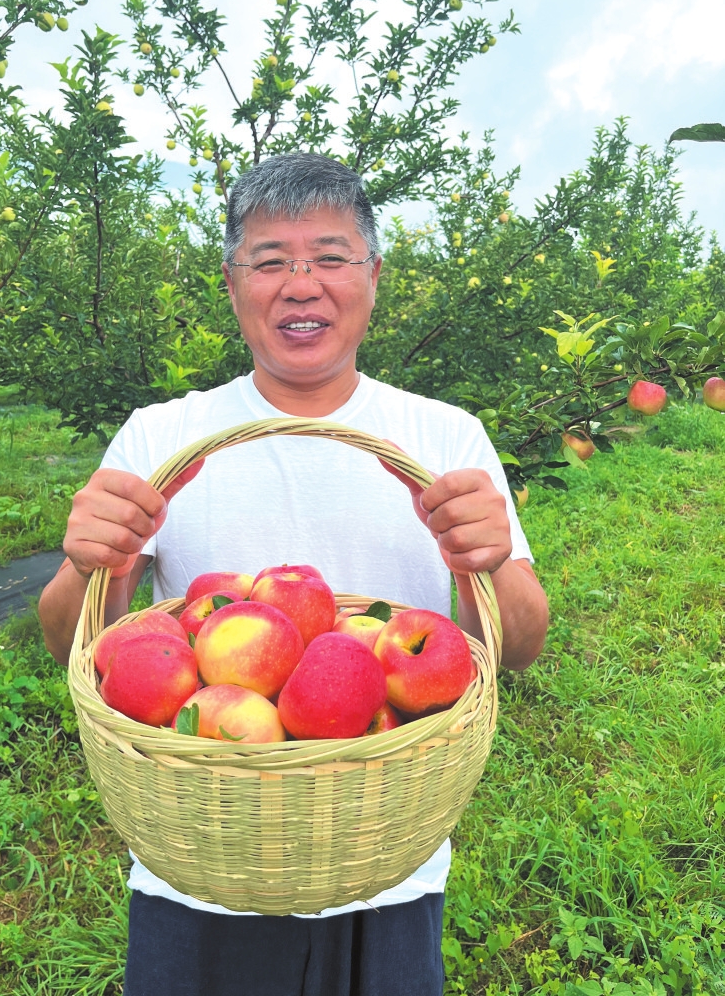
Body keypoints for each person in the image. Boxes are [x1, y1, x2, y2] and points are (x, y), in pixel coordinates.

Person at [39, 152, 549, 996]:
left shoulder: (444, 437)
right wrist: (95, 563)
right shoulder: (160, 436)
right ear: (232, 284)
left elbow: (518, 649)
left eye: (331, 258)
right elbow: (74, 646)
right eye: (271, 261)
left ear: (373, 276)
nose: (301, 285)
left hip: (389, 861)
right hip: (200, 863)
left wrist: (482, 565)